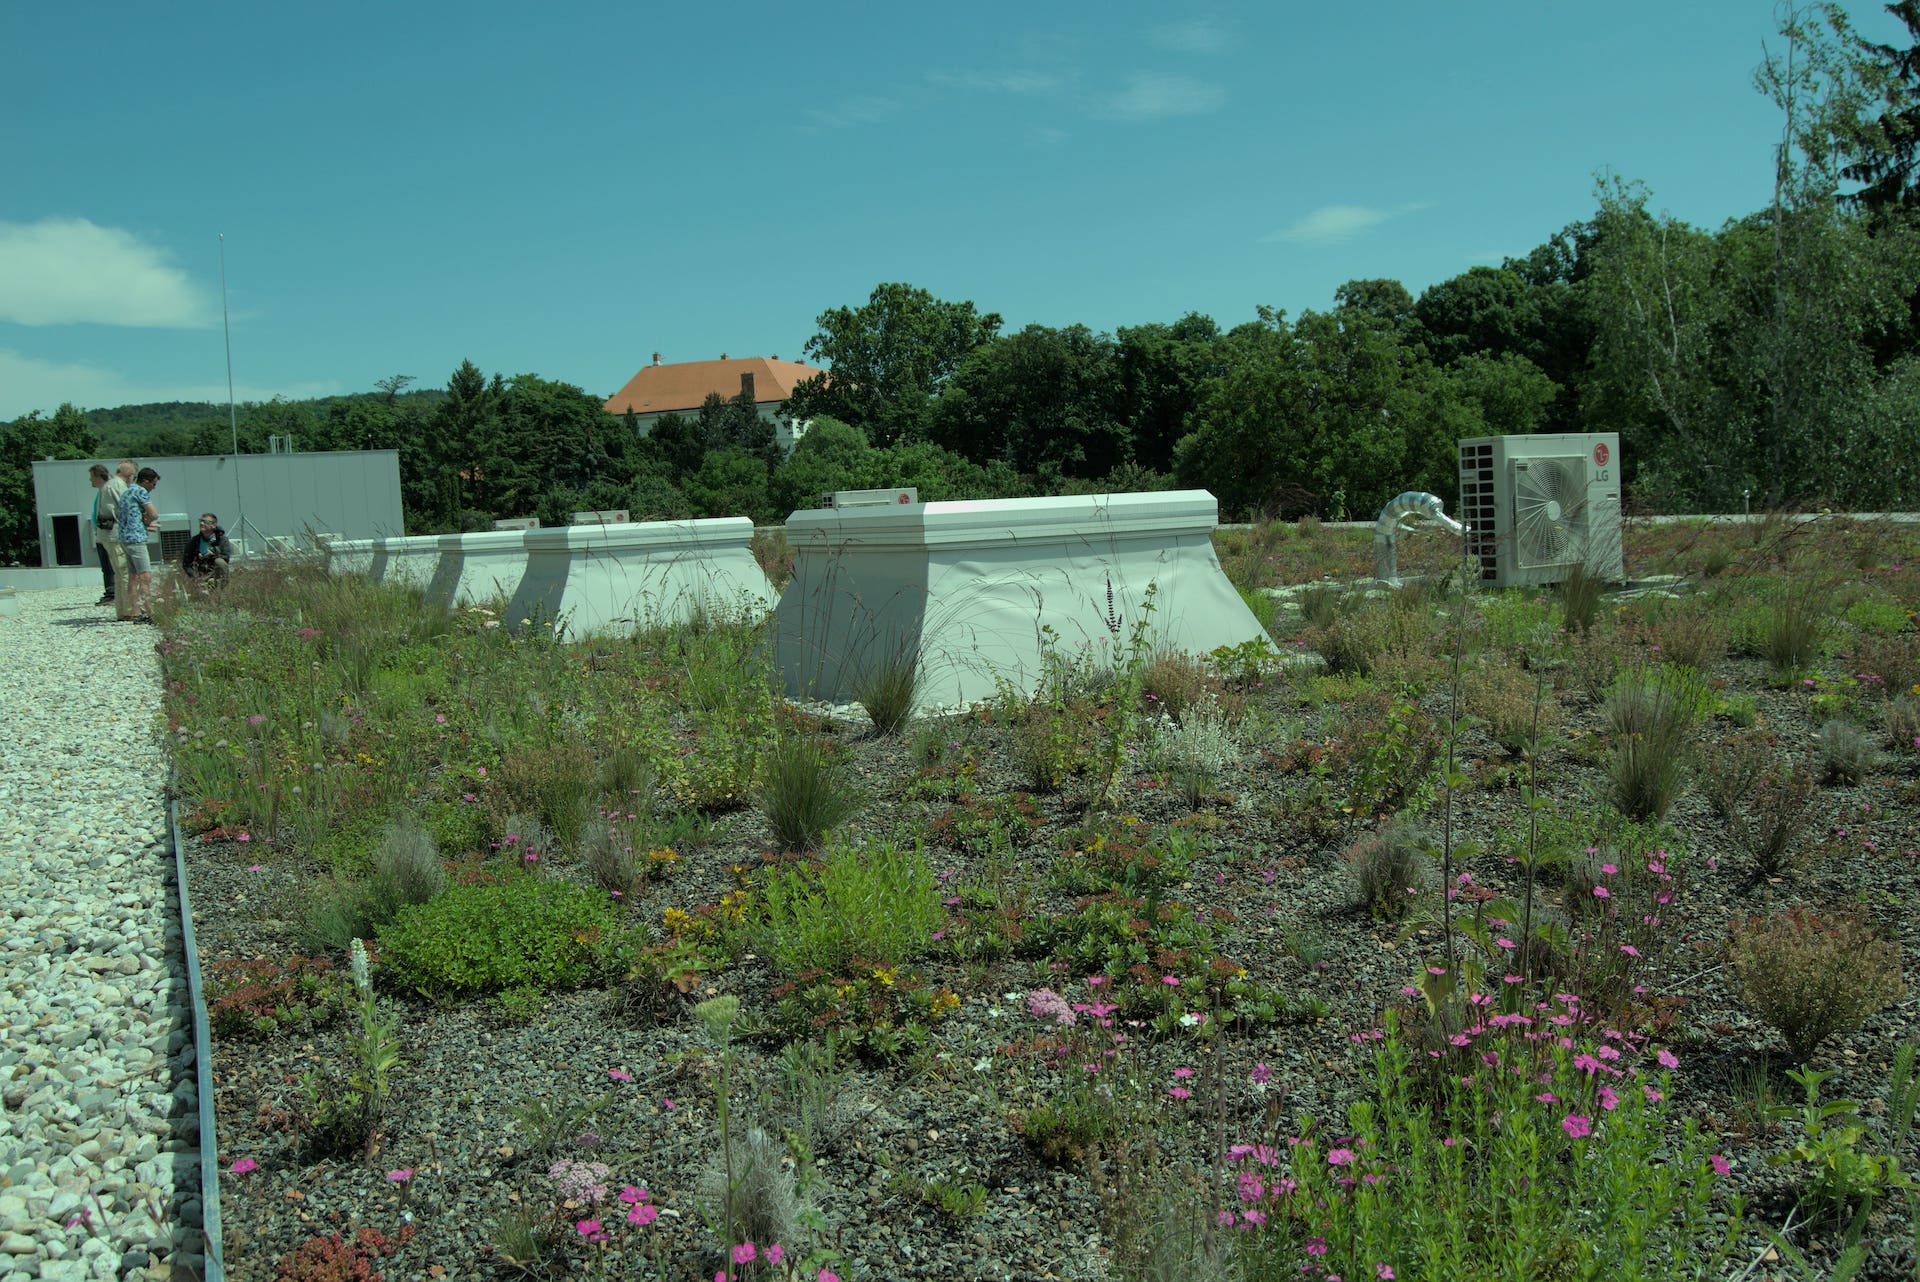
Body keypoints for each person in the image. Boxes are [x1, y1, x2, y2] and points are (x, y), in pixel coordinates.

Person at [116, 466, 162, 623]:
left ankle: (135, 611)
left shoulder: (127, 491)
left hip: (124, 538)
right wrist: (148, 519)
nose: (153, 488)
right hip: (136, 540)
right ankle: (150, 610)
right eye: (153, 484)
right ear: (145, 481)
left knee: (133, 577)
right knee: (145, 576)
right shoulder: (140, 491)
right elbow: (154, 514)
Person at [87, 464, 126, 606]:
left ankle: (113, 593)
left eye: (91, 477)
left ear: (98, 476)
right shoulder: (101, 491)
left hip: (111, 534)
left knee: (113, 565)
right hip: (102, 534)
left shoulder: (108, 489)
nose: (90, 480)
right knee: (107, 566)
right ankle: (111, 592)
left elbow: (121, 507)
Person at [181, 512, 233, 587]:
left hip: (216, 573)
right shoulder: (194, 541)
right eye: (200, 521)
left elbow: (226, 557)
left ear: (213, 525)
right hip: (200, 574)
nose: (201, 524)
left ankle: (222, 587)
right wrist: (194, 577)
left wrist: (212, 555)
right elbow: (186, 564)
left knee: (219, 561)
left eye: (205, 522)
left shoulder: (221, 539)